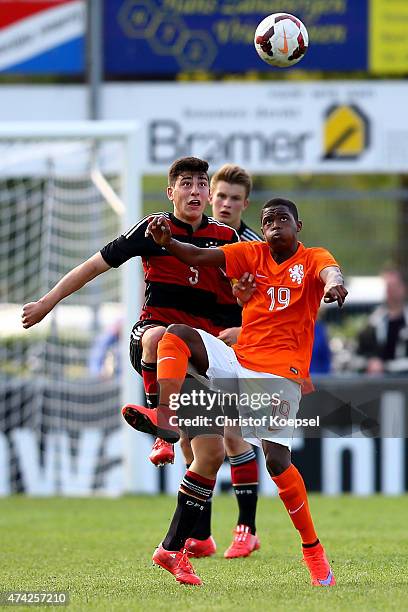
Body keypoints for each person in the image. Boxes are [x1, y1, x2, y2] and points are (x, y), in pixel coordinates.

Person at [20, 157, 258, 558]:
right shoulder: (153, 230)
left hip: (202, 356)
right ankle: (158, 422)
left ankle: (198, 537)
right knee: (161, 339)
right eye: (186, 184)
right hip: (153, 340)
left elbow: (250, 295)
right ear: (171, 192)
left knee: (209, 452)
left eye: (202, 183)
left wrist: (246, 310)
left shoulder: (227, 238)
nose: (196, 191)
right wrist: (47, 303)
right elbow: (92, 266)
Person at [123, 197, 347, 586]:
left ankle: (313, 550)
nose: (275, 224)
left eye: (283, 219)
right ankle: (165, 415)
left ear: (299, 225)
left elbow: (331, 272)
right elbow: (196, 256)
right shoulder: (251, 253)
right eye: (268, 220)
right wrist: (168, 244)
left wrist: (335, 285)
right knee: (174, 336)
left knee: (277, 462)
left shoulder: (311, 258)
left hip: (280, 376)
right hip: (237, 362)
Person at [356, 267, 408, 375]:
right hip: (380, 384)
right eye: (388, 286)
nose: (391, 290)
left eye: (395, 286)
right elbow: (359, 355)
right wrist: (371, 363)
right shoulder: (374, 321)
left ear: (404, 288)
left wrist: (387, 366)